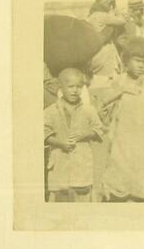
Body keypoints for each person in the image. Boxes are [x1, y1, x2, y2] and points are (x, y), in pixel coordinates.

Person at [101, 37, 144, 202]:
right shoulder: (120, 80)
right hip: (122, 135)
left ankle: (140, 196)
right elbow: (104, 102)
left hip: (143, 136)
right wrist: (122, 90)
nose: (141, 65)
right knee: (120, 170)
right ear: (127, 60)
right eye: (137, 61)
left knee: (142, 170)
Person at [44, 68, 105, 202]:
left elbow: (99, 131)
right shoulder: (50, 112)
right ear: (61, 87)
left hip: (81, 170)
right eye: (70, 86)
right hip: (59, 169)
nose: (75, 90)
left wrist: (85, 134)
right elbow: (44, 134)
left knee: (81, 208)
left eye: (79, 87)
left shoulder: (89, 110)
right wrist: (60, 143)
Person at [87, 0, 126, 90]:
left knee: (98, 78)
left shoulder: (92, 16)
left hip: (95, 51)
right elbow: (122, 21)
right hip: (105, 50)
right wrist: (116, 11)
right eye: (110, 4)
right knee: (109, 79)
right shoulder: (103, 15)